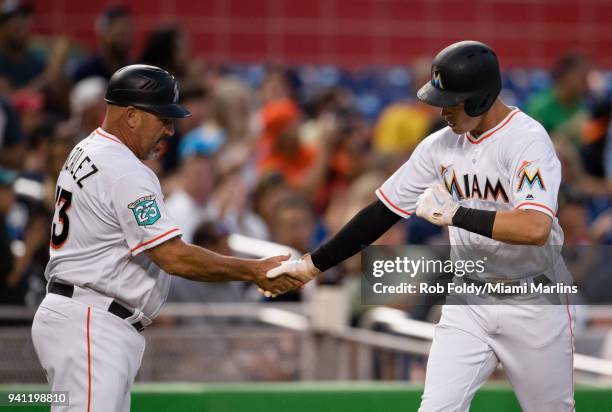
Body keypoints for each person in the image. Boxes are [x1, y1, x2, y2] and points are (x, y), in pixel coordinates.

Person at [267, 41, 575, 411]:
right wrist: (310, 265)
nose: (442, 111)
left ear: (480, 99)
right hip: (470, 297)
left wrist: (458, 214)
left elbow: (534, 228)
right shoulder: (438, 147)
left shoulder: (526, 140)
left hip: (533, 299)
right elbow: (382, 211)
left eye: (452, 101)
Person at [30, 64, 299, 412]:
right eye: (163, 118)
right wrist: (254, 271)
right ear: (131, 116)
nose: (171, 130)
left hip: (82, 314)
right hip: (92, 319)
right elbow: (173, 256)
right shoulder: (125, 170)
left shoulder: (87, 148)